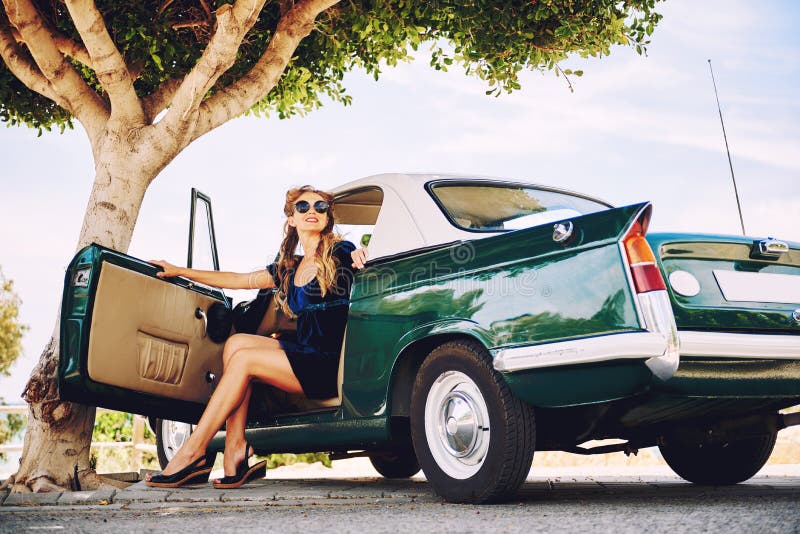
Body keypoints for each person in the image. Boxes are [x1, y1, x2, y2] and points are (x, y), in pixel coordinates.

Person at [145, 185, 369, 489]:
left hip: (326, 365)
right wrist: (180, 272)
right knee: (237, 343)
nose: (312, 212)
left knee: (245, 359)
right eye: (303, 208)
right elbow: (238, 280)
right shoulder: (289, 268)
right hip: (303, 353)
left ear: (328, 218)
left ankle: (193, 451)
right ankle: (235, 449)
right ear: (291, 219)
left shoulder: (340, 253)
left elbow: (364, 258)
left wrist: (364, 254)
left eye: (320, 207)